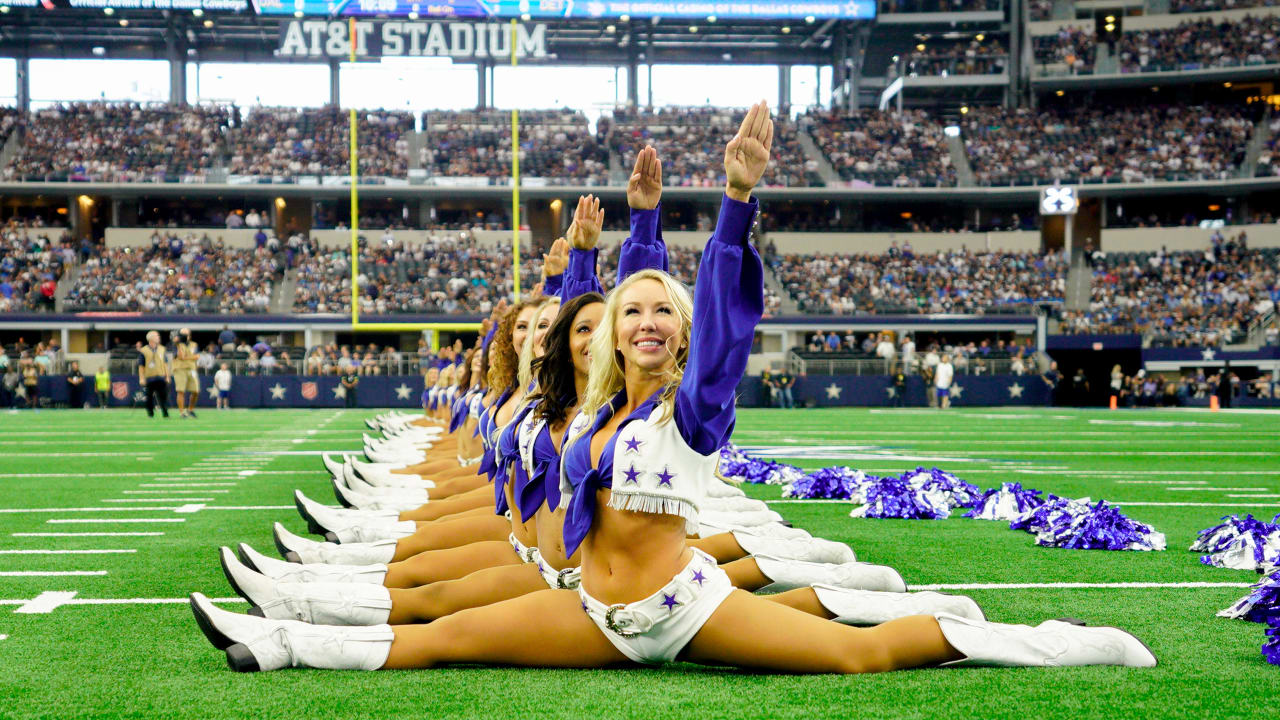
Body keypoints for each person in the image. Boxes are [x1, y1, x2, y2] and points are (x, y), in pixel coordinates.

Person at [191, 102, 1156, 675]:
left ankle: (1063, 642)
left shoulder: (691, 411)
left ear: (684, 336)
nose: (646, 320)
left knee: (862, 656)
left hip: (682, 609)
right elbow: (572, 328)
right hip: (587, 607)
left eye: (665, 315)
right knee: (446, 637)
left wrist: (734, 206)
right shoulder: (594, 406)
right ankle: (277, 637)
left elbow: (719, 324)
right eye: (632, 313)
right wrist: (620, 246)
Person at [138, 330, 170, 418]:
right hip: (149, 377)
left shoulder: (162, 349)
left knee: (163, 397)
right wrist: (141, 378)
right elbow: (141, 366)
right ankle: (150, 413)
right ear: (151, 338)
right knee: (149, 397)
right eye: (157, 336)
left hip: (160, 376)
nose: (158, 337)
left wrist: (167, 376)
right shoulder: (143, 351)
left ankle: (165, 413)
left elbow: (165, 363)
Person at [172, 328, 199, 418]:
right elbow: (179, 356)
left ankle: (190, 409)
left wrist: (187, 357)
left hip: (191, 368)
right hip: (180, 369)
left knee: (196, 391)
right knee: (181, 391)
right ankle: (182, 412)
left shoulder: (194, 344)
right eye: (182, 334)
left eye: (186, 334)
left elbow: (197, 356)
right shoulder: (177, 344)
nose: (184, 336)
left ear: (189, 335)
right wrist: (178, 344)